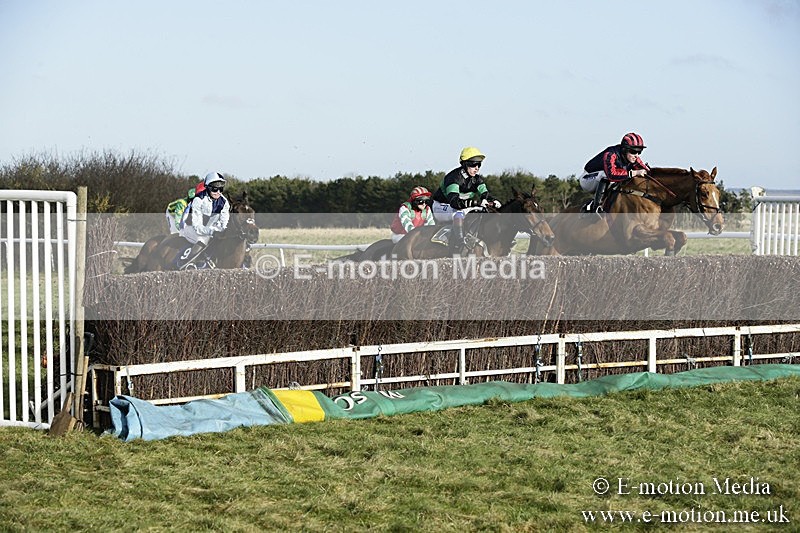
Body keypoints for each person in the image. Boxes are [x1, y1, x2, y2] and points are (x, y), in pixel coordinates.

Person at [431, 147, 501, 254]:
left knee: (482, 211)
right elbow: (454, 203)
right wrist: (475, 203)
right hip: (441, 206)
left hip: (460, 205)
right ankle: (460, 244)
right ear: (464, 164)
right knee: (458, 213)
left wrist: (493, 201)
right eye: (473, 164)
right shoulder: (453, 178)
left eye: (479, 164)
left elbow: (485, 195)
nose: (476, 168)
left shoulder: (477, 179)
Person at [580, 132, 650, 215]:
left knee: (628, 177)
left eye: (639, 152)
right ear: (625, 150)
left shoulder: (634, 158)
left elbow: (647, 171)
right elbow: (611, 174)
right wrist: (634, 172)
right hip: (587, 179)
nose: (637, 155)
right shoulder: (610, 154)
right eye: (633, 151)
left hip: (602, 180)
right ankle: (595, 207)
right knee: (606, 175)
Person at [177, 172, 230, 269]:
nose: (218, 192)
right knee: (203, 239)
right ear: (208, 187)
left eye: (220, 189)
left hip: (209, 230)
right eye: (215, 189)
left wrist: (218, 230)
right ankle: (187, 263)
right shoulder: (198, 200)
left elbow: (224, 224)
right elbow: (197, 227)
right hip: (189, 228)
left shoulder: (224, 202)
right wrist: (212, 231)